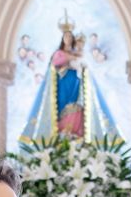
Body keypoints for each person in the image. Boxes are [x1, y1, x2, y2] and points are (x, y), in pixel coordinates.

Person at [19, 11, 123, 145]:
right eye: (65, 37)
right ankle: (63, 134)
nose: (67, 39)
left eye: (70, 37)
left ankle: (77, 135)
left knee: (78, 107)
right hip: (62, 84)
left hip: (76, 82)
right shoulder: (59, 53)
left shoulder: (77, 52)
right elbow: (55, 62)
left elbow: (83, 64)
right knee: (63, 107)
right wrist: (70, 59)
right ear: (62, 39)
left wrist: (76, 61)